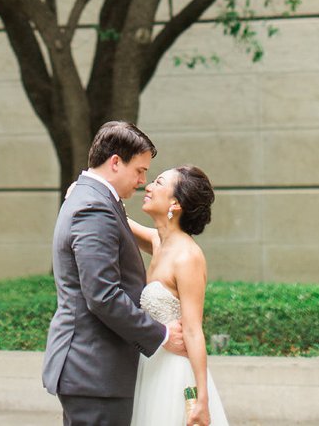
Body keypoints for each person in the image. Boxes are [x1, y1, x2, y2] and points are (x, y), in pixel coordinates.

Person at [42, 120, 186, 426]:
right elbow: (102, 295)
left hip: (95, 372)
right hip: (94, 371)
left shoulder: (96, 199)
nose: (143, 181)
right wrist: (160, 335)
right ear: (116, 162)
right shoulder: (93, 207)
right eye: (140, 170)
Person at [127, 165, 230, 426]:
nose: (148, 186)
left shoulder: (188, 256)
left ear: (175, 202)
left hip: (173, 373)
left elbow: (193, 330)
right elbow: (117, 220)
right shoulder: (158, 241)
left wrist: (203, 398)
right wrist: (83, 189)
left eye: (158, 182)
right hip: (150, 365)